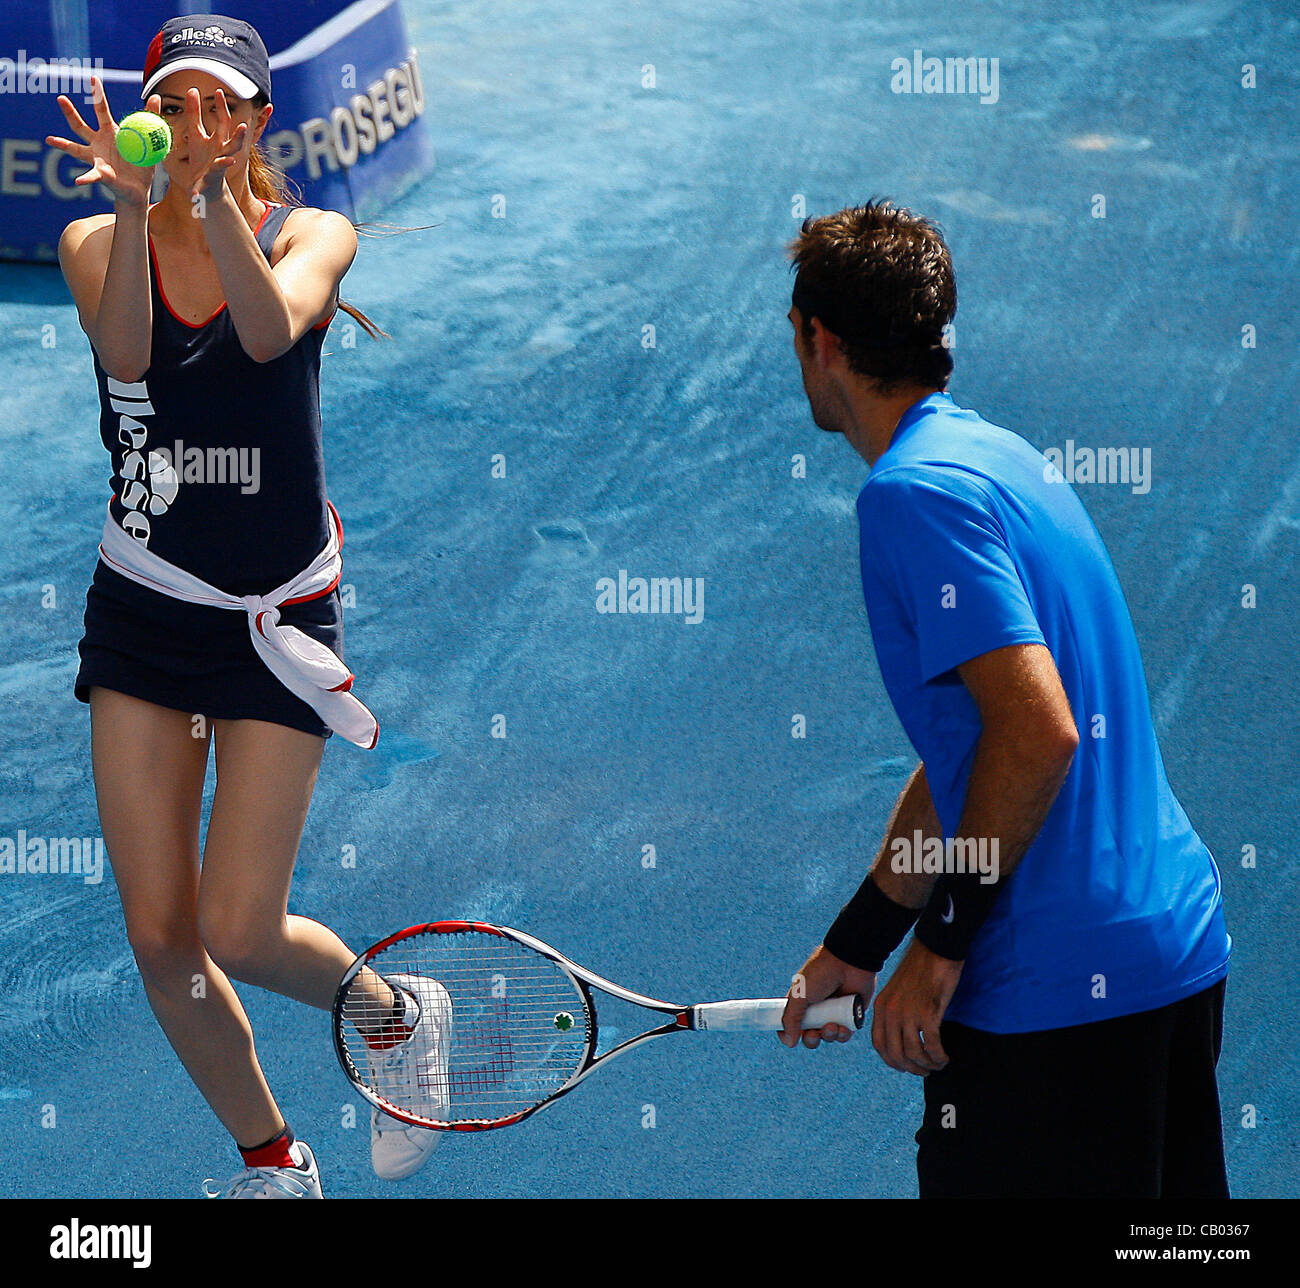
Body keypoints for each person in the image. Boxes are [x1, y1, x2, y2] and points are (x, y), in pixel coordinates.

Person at [51, 15, 447, 1197]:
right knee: (163, 938)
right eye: (173, 102)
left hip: (276, 621)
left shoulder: (312, 233)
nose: (191, 126)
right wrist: (134, 213)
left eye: (218, 107)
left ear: (255, 121)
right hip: (148, 610)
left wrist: (214, 199)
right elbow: (129, 357)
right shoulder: (89, 236)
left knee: (237, 925)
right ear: (147, 111)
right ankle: (274, 1161)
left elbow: (268, 330)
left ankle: (389, 1016)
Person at [776, 201, 1231, 1199]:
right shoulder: (1002, 457)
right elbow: (973, 746)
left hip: (1055, 1000)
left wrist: (935, 953)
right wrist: (859, 944)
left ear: (822, 341)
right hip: (1168, 953)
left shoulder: (909, 495)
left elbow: (1035, 729)